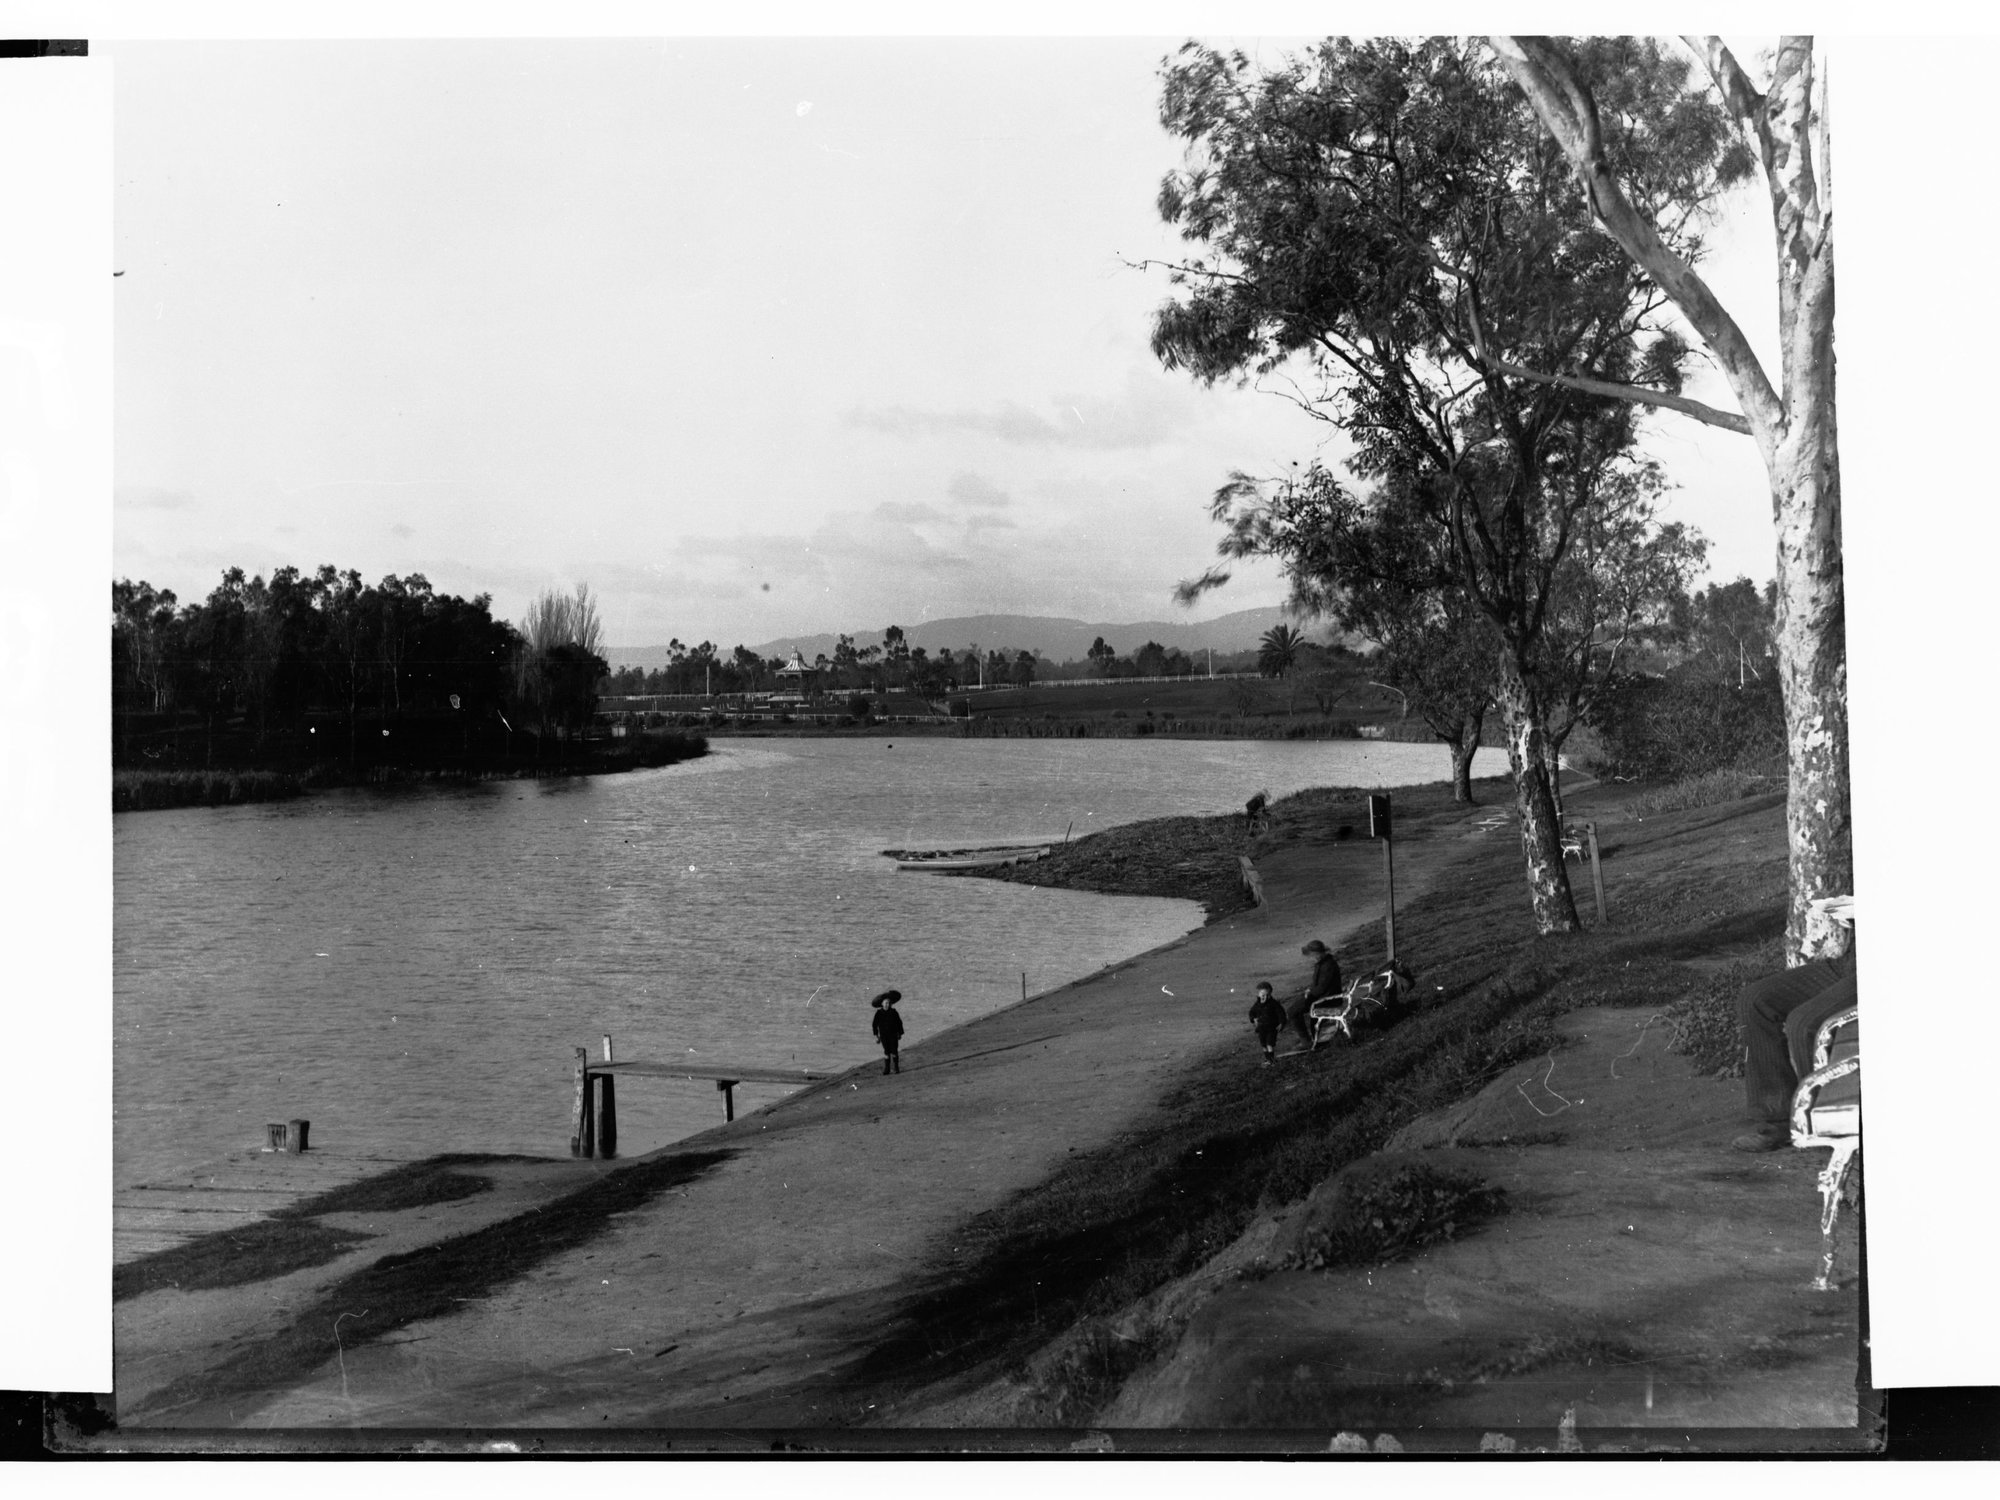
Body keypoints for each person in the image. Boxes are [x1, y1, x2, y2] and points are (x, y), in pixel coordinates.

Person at [1731, 897, 1856, 1152]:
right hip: (1850, 962)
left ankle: (1820, 1123)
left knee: (1804, 1022)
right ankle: (1777, 1119)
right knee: (1755, 1000)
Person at [1283, 939, 1343, 1053]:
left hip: (1326, 1000)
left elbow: (1321, 988)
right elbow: (1319, 985)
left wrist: (1309, 993)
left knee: (1292, 1012)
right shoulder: (1325, 963)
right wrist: (1310, 990)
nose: (1311, 957)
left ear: (1317, 954)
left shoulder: (1327, 966)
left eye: (1311, 955)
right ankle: (1307, 1040)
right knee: (1294, 1009)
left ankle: (1306, 1041)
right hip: (1324, 996)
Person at [1247, 981, 1287, 1065]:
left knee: (1269, 1044)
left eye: (1266, 995)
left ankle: (1272, 1060)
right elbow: (1252, 1012)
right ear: (1258, 994)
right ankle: (1267, 1059)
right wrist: (1253, 1019)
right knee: (1263, 1044)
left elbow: (1281, 1013)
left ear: (1269, 995)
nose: (1263, 996)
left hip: (1271, 1028)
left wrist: (1282, 1023)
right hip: (1261, 1028)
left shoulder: (1274, 1004)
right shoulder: (1257, 1004)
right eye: (1262, 994)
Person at [871, 989, 905, 1075]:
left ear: (891, 1004)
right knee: (886, 1051)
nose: (887, 1004)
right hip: (883, 1035)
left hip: (893, 1034)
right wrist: (876, 1036)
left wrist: (900, 1033)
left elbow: (899, 1023)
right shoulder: (879, 1013)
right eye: (885, 1003)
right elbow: (874, 1025)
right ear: (882, 1004)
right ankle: (887, 1069)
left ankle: (896, 1068)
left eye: (889, 1003)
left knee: (894, 1051)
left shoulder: (894, 1012)